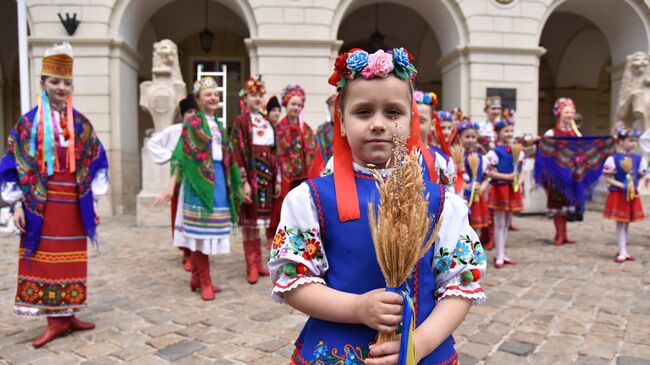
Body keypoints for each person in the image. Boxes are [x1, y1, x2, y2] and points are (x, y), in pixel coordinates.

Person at [269, 48, 486, 364]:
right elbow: (294, 282)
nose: (379, 124)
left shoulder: (441, 202)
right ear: (341, 122)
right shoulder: (311, 199)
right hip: (336, 351)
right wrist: (357, 308)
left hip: (424, 352)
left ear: (412, 120)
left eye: (393, 112)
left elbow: (459, 285)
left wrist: (419, 344)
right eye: (363, 112)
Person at [0, 42, 109, 347]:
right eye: (55, 81)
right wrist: (17, 204)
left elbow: (95, 161)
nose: (62, 87)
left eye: (66, 82)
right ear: (43, 84)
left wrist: (94, 202)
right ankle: (54, 320)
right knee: (46, 259)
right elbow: (14, 163)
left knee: (72, 259)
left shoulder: (81, 124)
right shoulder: (27, 124)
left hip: (74, 203)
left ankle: (68, 313)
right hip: (40, 205)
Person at [155, 77, 241, 301]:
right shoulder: (192, 125)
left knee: (210, 232)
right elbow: (181, 158)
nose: (213, 98)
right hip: (198, 183)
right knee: (200, 234)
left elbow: (229, 158)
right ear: (199, 100)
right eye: (208, 95)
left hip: (218, 181)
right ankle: (205, 281)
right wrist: (170, 186)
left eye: (215, 94)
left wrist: (238, 185)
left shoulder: (220, 126)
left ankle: (196, 277)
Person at [230, 76, 279, 284]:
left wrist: (277, 178)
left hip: (266, 178)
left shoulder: (267, 121)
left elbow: (274, 152)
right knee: (249, 224)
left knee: (260, 223)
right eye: (253, 95)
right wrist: (243, 181)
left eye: (260, 95)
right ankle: (250, 264)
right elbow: (237, 152)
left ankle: (259, 263)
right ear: (246, 97)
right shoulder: (241, 121)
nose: (257, 99)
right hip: (251, 177)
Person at [147, 94, 198, 271]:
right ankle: (186, 253)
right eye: (189, 112)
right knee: (179, 215)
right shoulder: (174, 131)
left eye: (195, 111)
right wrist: (172, 156)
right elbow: (153, 144)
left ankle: (196, 252)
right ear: (183, 115)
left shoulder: (202, 132)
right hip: (178, 180)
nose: (192, 115)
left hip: (197, 182)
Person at [268, 84, 320, 239]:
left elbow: (314, 154)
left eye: (299, 105)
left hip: (302, 179)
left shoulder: (307, 130)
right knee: (282, 212)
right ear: (286, 104)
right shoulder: (277, 129)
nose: (296, 108)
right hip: (283, 178)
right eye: (293, 104)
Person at [603, 127, 647, 263]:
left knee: (626, 222)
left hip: (631, 194)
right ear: (621, 142)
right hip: (619, 194)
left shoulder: (638, 159)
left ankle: (623, 249)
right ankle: (622, 250)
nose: (633, 143)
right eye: (630, 140)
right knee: (621, 222)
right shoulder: (613, 159)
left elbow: (642, 176)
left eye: (635, 141)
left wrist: (637, 188)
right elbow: (608, 177)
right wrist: (622, 185)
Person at [486, 110, 524, 269]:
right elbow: (490, 172)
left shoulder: (516, 150)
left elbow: (522, 169)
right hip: (500, 188)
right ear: (499, 133)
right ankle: (498, 255)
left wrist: (519, 181)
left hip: (512, 189)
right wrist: (508, 177)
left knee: (507, 222)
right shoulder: (495, 152)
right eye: (506, 131)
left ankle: (503, 252)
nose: (509, 134)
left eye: (511, 131)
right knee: (500, 223)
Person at [544, 98, 579, 245]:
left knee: (566, 205)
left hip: (569, 173)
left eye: (571, 112)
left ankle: (564, 234)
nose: (569, 115)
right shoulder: (551, 132)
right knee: (557, 204)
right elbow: (545, 152)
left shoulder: (575, 133)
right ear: (559, 113)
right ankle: (559, 234)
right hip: (556, 173)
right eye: (566, 112)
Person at [457, 122, 490, 233]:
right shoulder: (457, 156)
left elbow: (487, 177)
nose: (470, 140)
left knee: (475, 227)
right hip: (463, 195)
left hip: (476, 195)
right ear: (460, 137)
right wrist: (465, 185)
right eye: (467, 137)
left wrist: (482, 187)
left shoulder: (481, 157)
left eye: (473, 137)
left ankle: (475, 247)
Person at [315, 94, 336, 164]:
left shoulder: (346, 127)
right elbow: (319, 152)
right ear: (329, 108)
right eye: (334, 105)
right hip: (327, 167)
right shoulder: (322, 129)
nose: (337, 108)